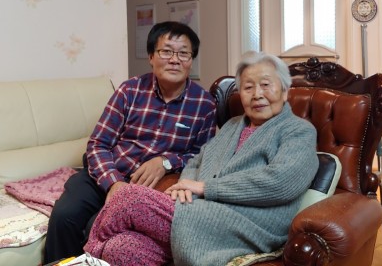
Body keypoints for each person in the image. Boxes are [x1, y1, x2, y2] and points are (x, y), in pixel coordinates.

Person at [83, 51, 320, 266]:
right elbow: (197, 161)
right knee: (120, 249)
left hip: (248, 222)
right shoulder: (233, 125)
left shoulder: (298, 131)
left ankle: (83, 259)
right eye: (248, 87)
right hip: (197, 213)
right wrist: (184, 188)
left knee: (127, 197)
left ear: (285, 91)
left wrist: (206, 187)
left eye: (266, 85)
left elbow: (281, 182)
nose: (257, 94)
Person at [44, 21, 217, 263]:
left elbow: (204, 156)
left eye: (183, 53)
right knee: (65, 216)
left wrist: (166, 162)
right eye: (166, 51)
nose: (175, 59)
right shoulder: (130, 91)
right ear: (151, 56)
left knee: (98, 226)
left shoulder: (204, 105)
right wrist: (113, 183)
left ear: (191, 60)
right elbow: (98, 144)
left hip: (148, 189)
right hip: (107, 174)